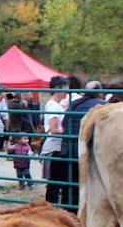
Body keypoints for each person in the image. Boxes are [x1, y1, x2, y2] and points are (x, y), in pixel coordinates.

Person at [62, 80, 106, 210]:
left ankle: (69, 212)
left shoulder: (73, 104)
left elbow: (64, 125)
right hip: (90, 152)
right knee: (90, 184)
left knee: (70, 186)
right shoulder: (103, 106)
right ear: (99, 92)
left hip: (70, 151)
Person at [42, 76, 70, 206]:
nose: (67, 90)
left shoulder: (55, 105)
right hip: (55, 147)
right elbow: (53, 129)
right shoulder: (54, 106)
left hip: (56, 146)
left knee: (56, 181)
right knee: (54, 182)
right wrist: (66, 132)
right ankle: (50, 209)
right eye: (66, 87)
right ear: (58, 88)